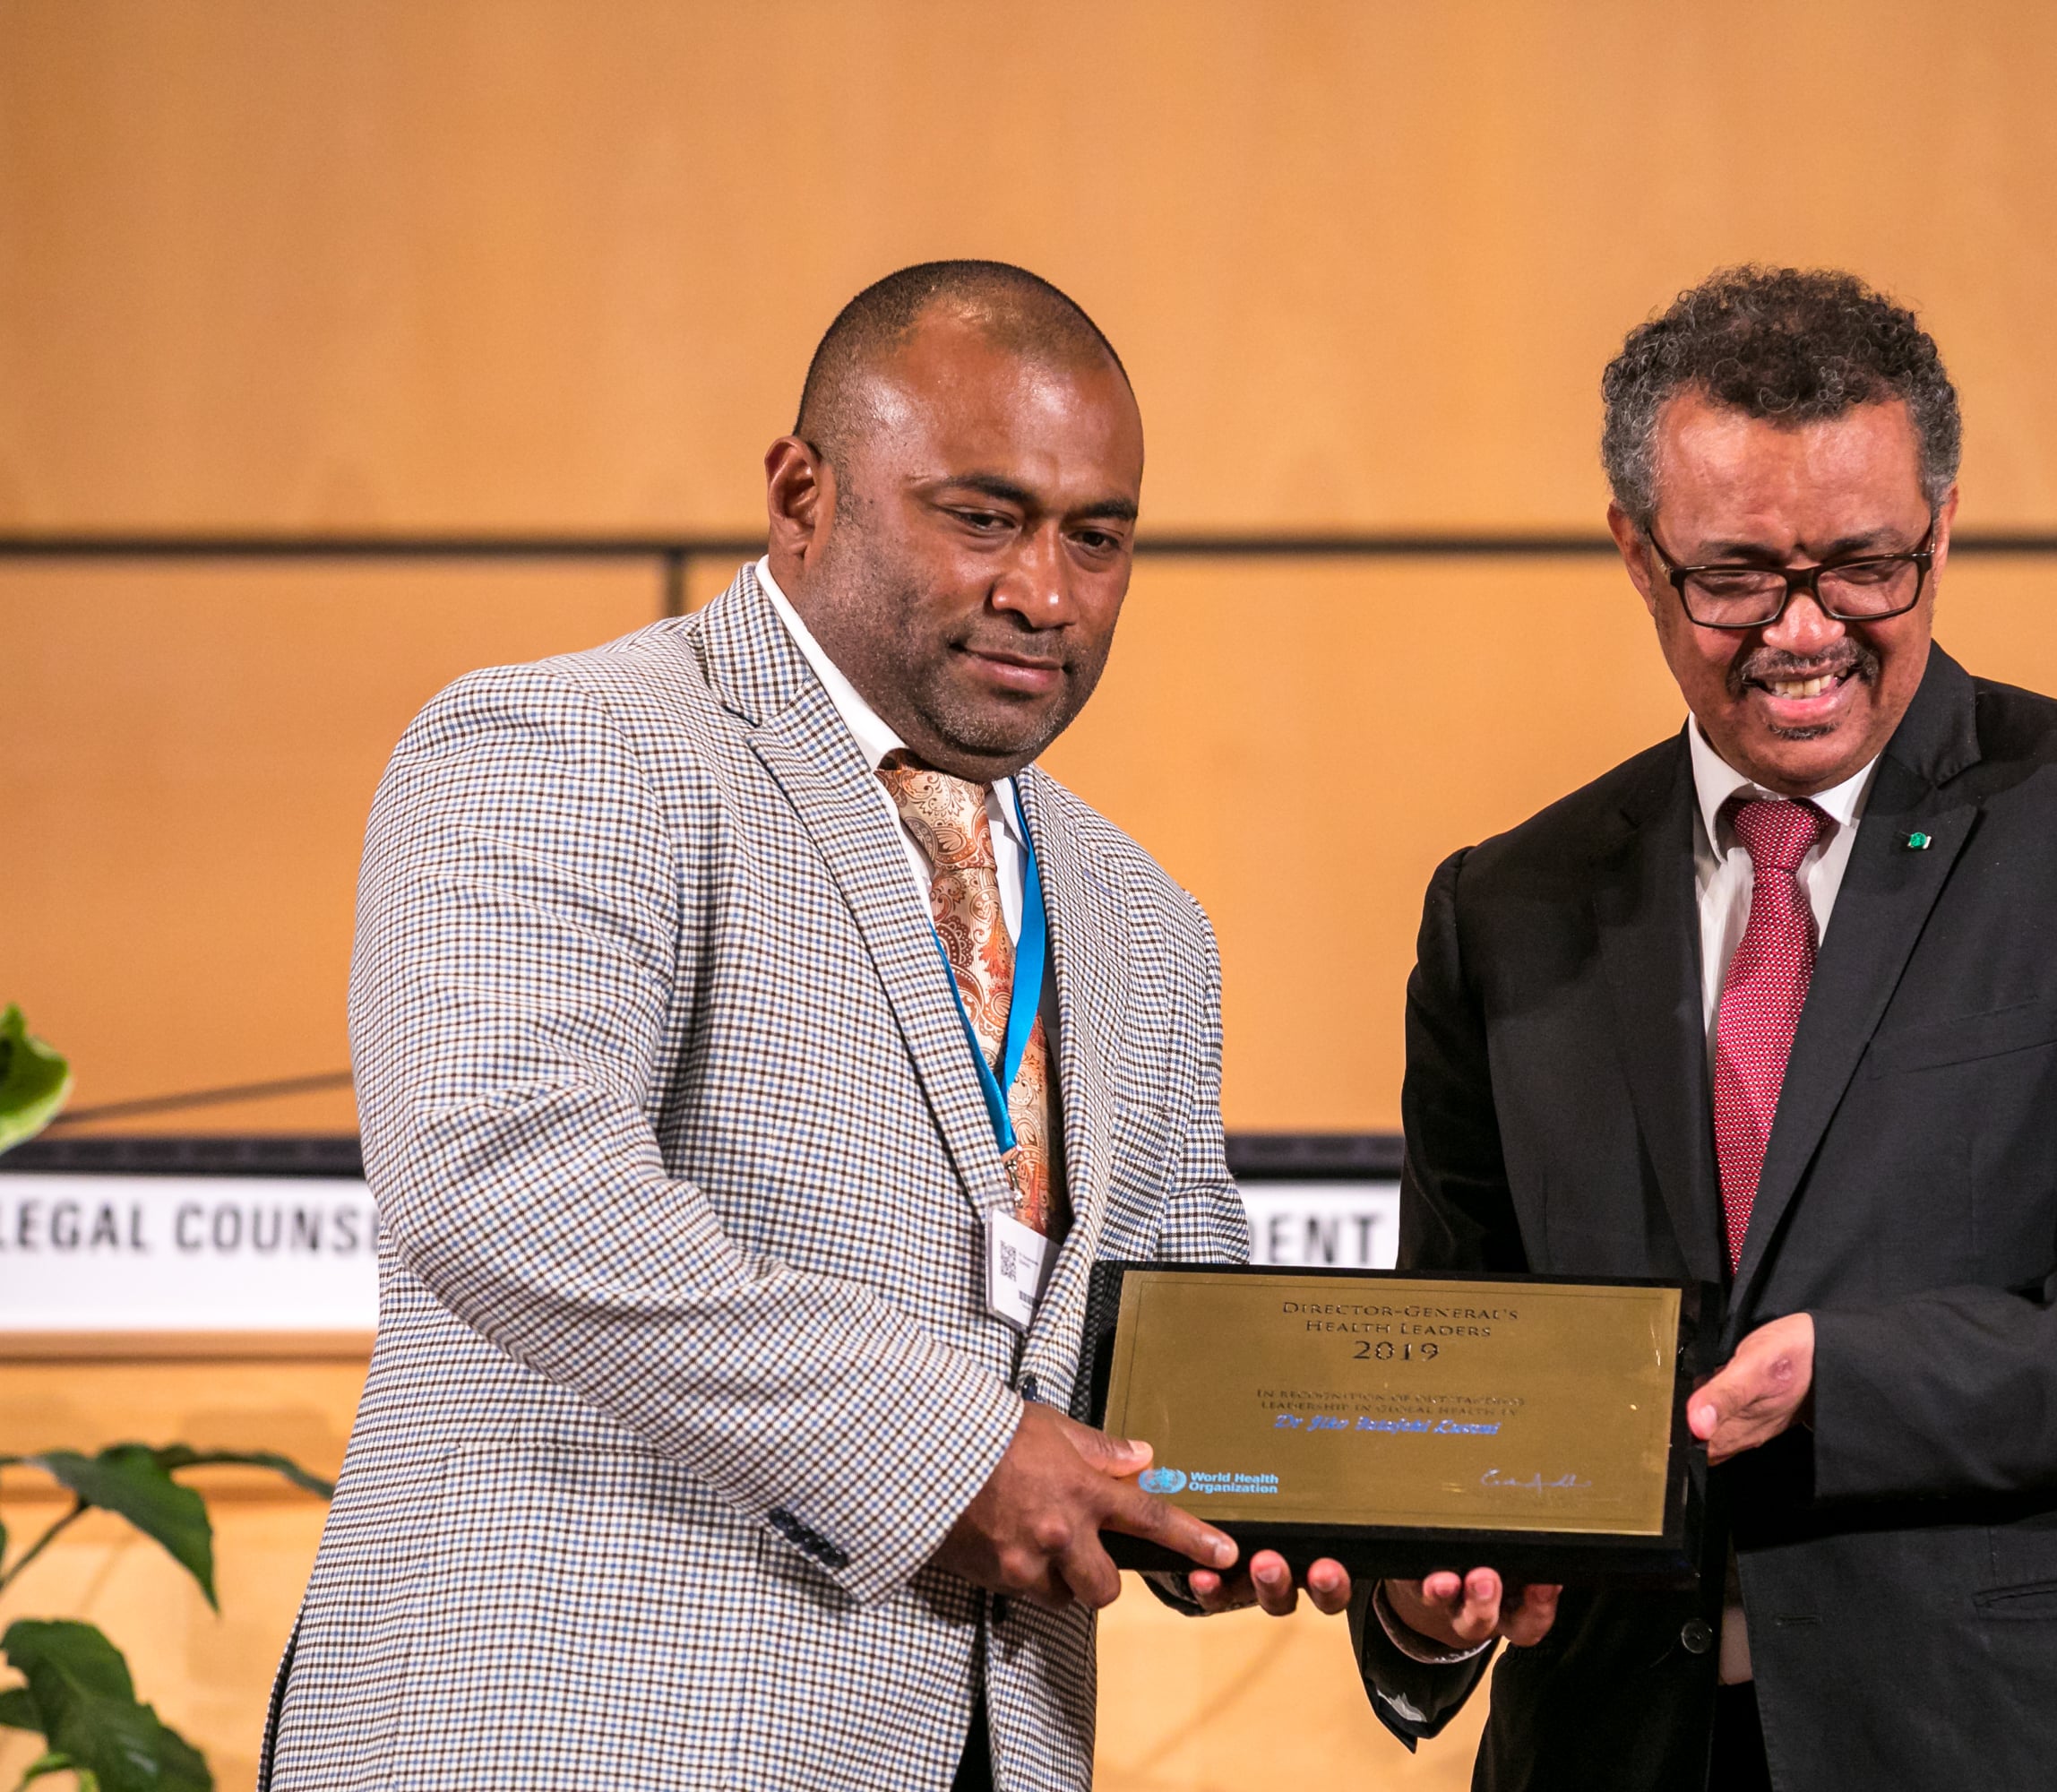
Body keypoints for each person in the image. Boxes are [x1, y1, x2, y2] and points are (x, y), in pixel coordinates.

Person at [263, 261, 1315, 1792]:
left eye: (1098, 538)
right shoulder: (569, 740)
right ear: (801, 492)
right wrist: (957, 1453)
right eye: (984, 516)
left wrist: (1393, 1539)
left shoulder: (1140, 916)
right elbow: (499, 1174)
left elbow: (1177, 1347)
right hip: (570, 1735)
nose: (1047, 591)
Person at [1338, 267, 2057, 1788]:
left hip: (2014, 1744)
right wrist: (1426, 1604)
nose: (1806, 631)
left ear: (1941, 528)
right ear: (1636, 551)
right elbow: (1464, 1354)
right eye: (1738, 576)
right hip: (1615, 1750)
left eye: (1868, 565)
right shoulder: (1509, 905)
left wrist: (1856, 1379)